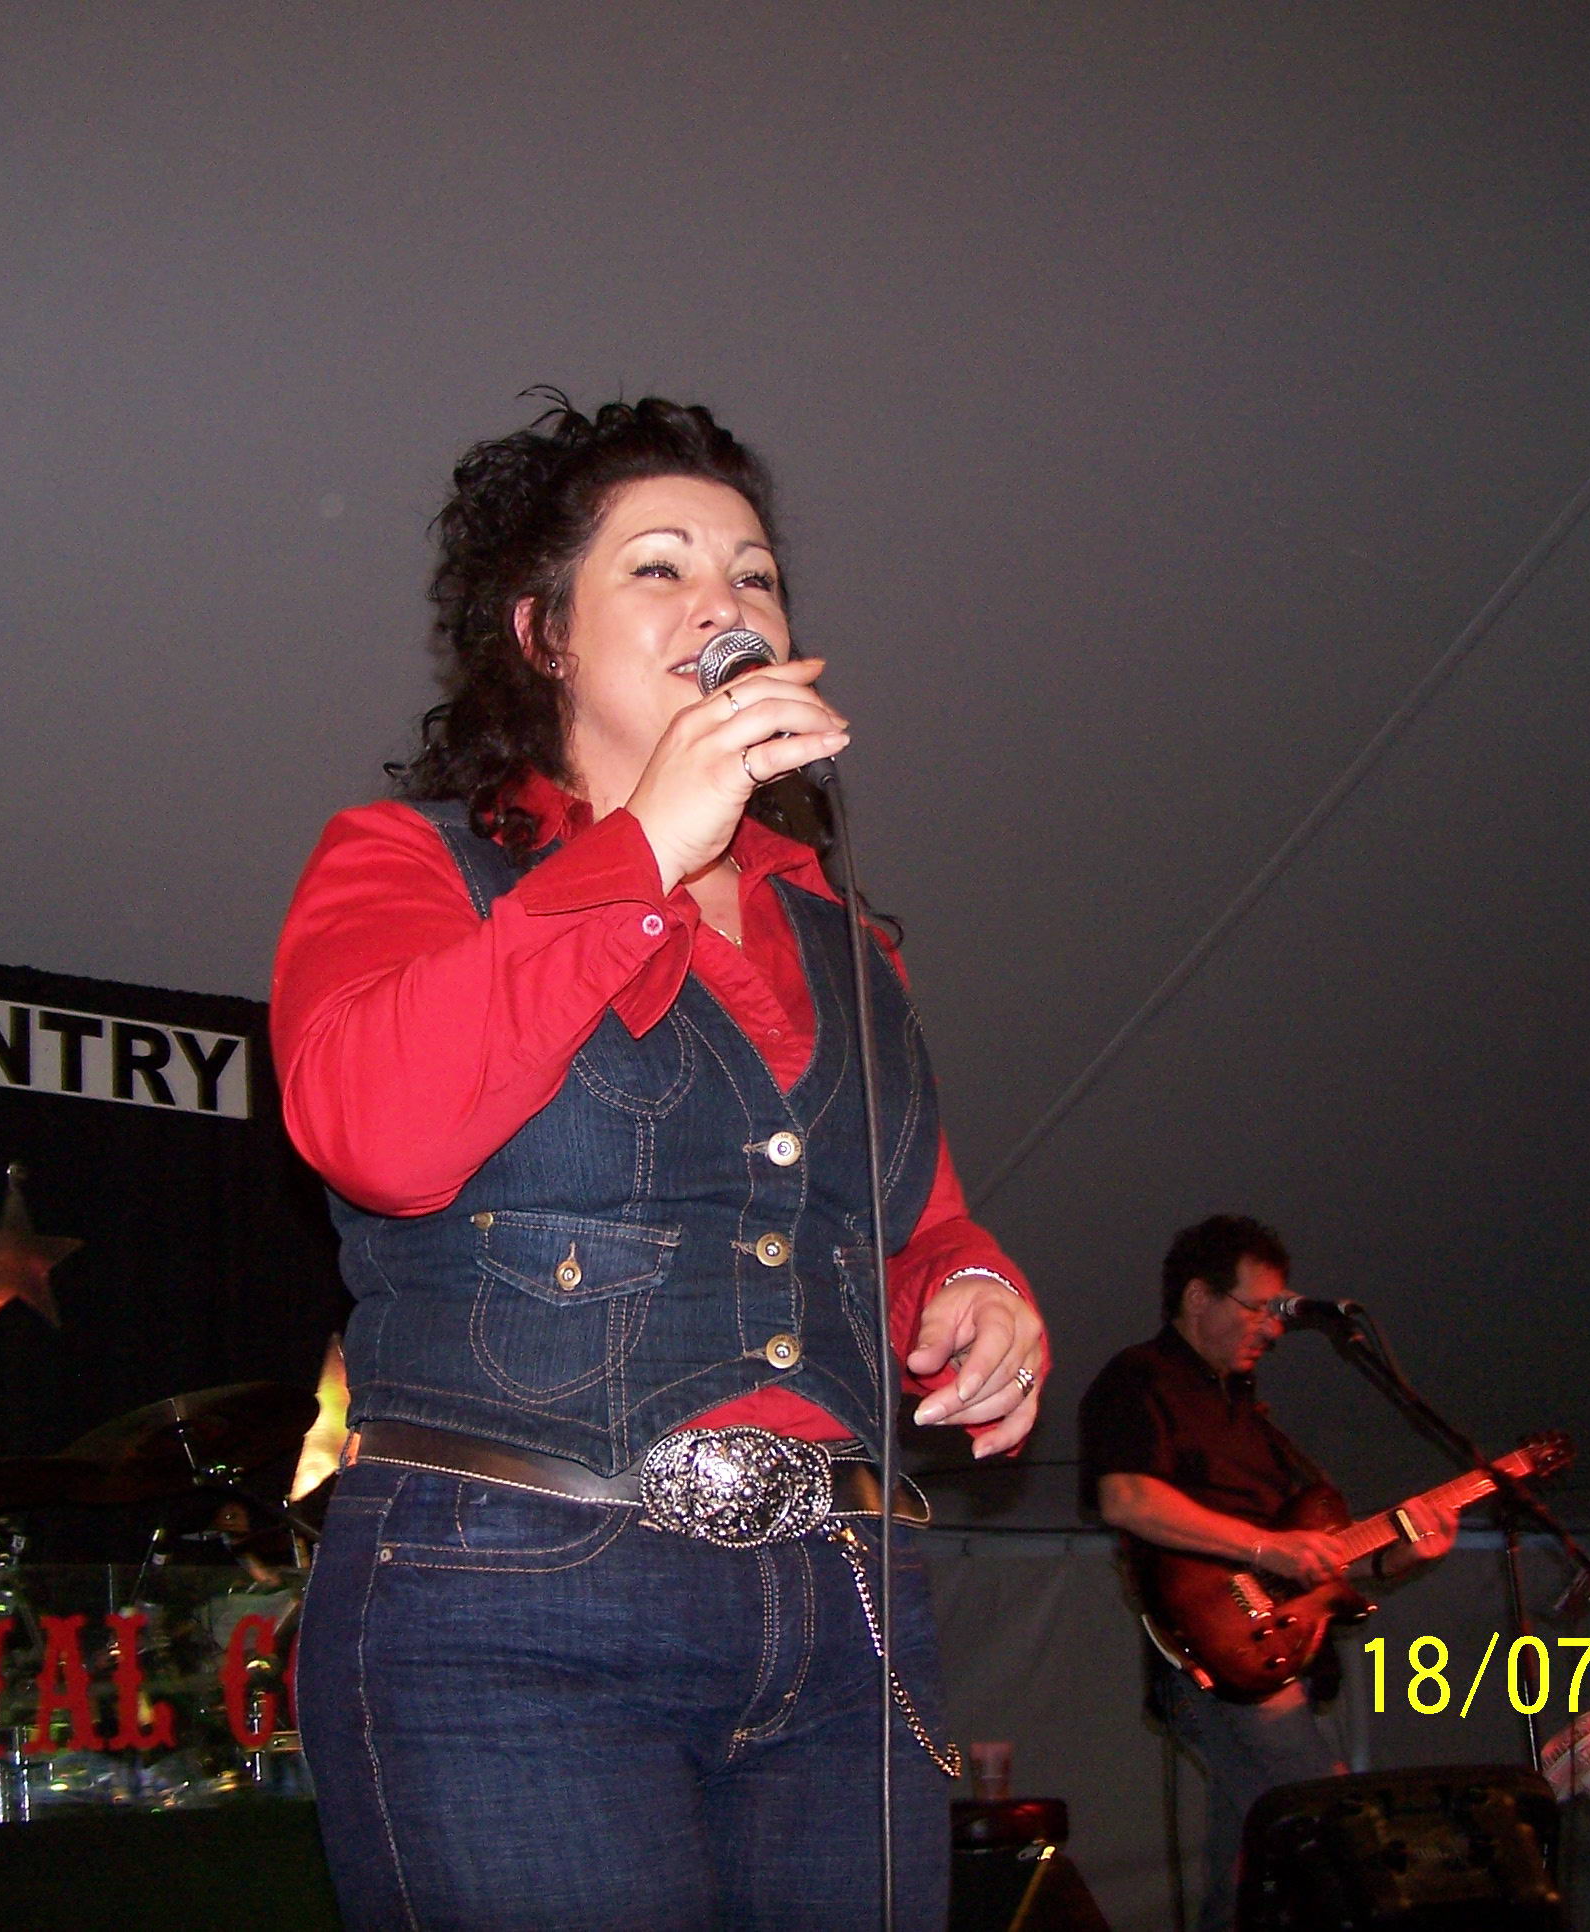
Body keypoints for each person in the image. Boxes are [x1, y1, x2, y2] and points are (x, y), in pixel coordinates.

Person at [270, 395, 1047, 1930]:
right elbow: (376, 1133)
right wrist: (639, 853)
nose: (723, 601)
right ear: (543, 633)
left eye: (754, 575)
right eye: (661, 566)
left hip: (846, 1604)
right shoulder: (407, 861)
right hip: (514, 1596)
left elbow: (908, 1222)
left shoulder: (845, 940)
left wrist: (970, 1288)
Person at [1078, 1216, 1455, 1932]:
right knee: (1332, 1822)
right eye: (1259, 1308)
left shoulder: (1250, 1411)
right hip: (1214, 1653)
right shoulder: (1139, 1379)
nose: (1274, 1328)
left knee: (1251, 1863)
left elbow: (1308, 1553)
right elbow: (1126, 1498)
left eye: (1280, 1312)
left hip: (1275, 1651)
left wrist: (1393, 1554)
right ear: (1198, 1297)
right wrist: (1263, 1549)